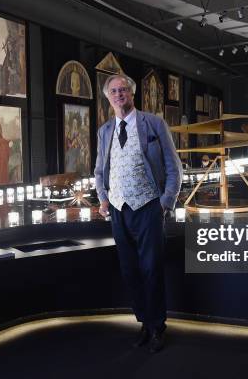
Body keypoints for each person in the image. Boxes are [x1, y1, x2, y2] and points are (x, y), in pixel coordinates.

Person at [94, 74, 182, 353]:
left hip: (148, 207)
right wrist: (104, 198)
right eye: (114, 91)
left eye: (123, 90)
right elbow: (99, 171)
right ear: (108, 97)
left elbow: (173, 167)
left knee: (151, 268)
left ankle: (158, 327)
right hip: (119, 210)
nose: (119, 94)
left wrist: (165, 203)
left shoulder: (153, 123)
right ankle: (144, 322)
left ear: (132, 94)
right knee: (130, 271)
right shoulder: (105, 130)